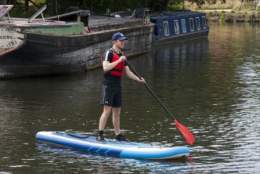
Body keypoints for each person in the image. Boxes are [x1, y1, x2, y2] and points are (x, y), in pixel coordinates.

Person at [97, 32, 145, 141]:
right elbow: (105, 67)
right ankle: (100, 134)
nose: (123, 42)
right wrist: (119, 60)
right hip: (108, 84)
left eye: (124, 40)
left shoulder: (122, 55)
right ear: (114, 42)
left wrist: (139, 79)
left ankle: (118, 135)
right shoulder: (109, 53)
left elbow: (127, 72)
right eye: (121, 40)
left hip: (117, 84)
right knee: (107, 110)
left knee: (117, 111)